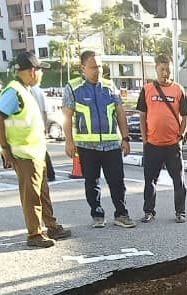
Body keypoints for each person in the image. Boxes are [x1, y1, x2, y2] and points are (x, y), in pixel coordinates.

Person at [0, 52, 72, 248]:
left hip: (35, 152)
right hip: (23, 154)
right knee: (31, 195)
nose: (42, 75)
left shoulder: (25, 90)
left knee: (42, 192)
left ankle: (51, 226)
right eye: (40, 70)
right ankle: (35, 234)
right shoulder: (14, 92)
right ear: (31, 71)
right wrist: (4, 149)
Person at [63, 50, 135, 229]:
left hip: (111, 144)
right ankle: (97, 214)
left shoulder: (110, 87)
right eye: (93, 67)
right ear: (83, 68)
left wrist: (125, 138)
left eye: (100, 67)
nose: (98, 71)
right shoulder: (73, 88)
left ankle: (121, 214)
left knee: (117, 180)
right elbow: (67, 116)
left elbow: (120, 114)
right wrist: (69, 141)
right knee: (92, 182)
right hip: (87, 146)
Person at [136, 54, 187, 223]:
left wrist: (181, 135)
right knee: (150, 181)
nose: (165, 73)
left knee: (178, 180)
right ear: (156, 69)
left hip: (172, 145)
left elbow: (186, 115)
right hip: (152, 145)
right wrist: (145, 139)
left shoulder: (178, 90)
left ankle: (180, 212)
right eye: (162, 69)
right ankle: (149, 211)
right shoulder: (147, 90)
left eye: (168, 70)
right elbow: (142, 116)